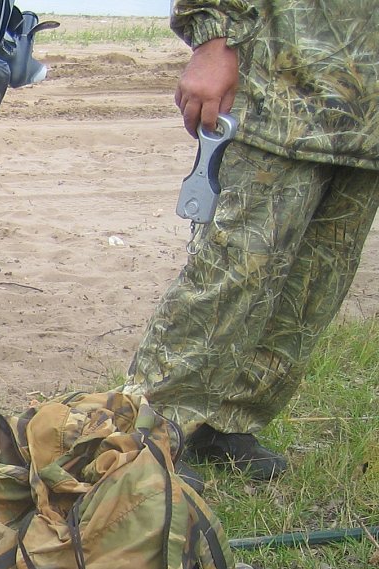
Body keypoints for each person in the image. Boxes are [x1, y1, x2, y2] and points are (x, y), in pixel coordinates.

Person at [127, 0, 379, 480]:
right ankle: (145, 435)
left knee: (312, 288)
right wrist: (213, 39)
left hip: (368, 128)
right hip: (281, 93)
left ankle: (226, 423)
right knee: (231, 275)